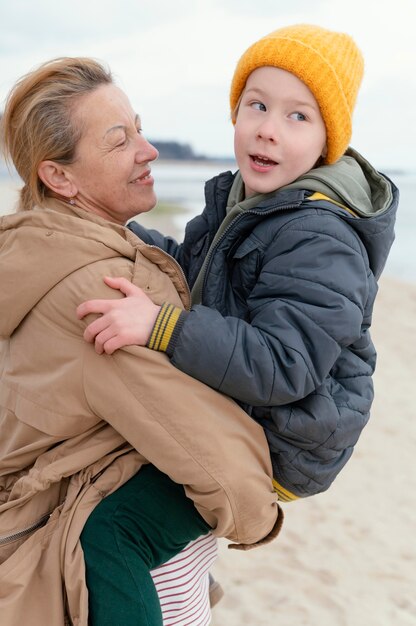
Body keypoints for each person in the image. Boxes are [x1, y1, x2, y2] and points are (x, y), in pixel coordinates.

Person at [0, 57, 282, 626]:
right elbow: (209, 453)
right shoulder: (93, 288)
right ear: (60, 178)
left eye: (140, 127)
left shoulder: (40, 252)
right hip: (84, 565)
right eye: (119, 140)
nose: (148, 150)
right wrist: (262, 516)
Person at [78, 24, 398, 504]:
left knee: (114, 532)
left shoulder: (320, 235)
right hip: (240, 403)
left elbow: (285, 365)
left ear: (326, 141)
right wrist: (120, 233)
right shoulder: (244, 200)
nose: (268, 129)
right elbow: (189, 270)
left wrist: (164, 327)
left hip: (281, 442)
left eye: (298, 116)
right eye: (258, 105)